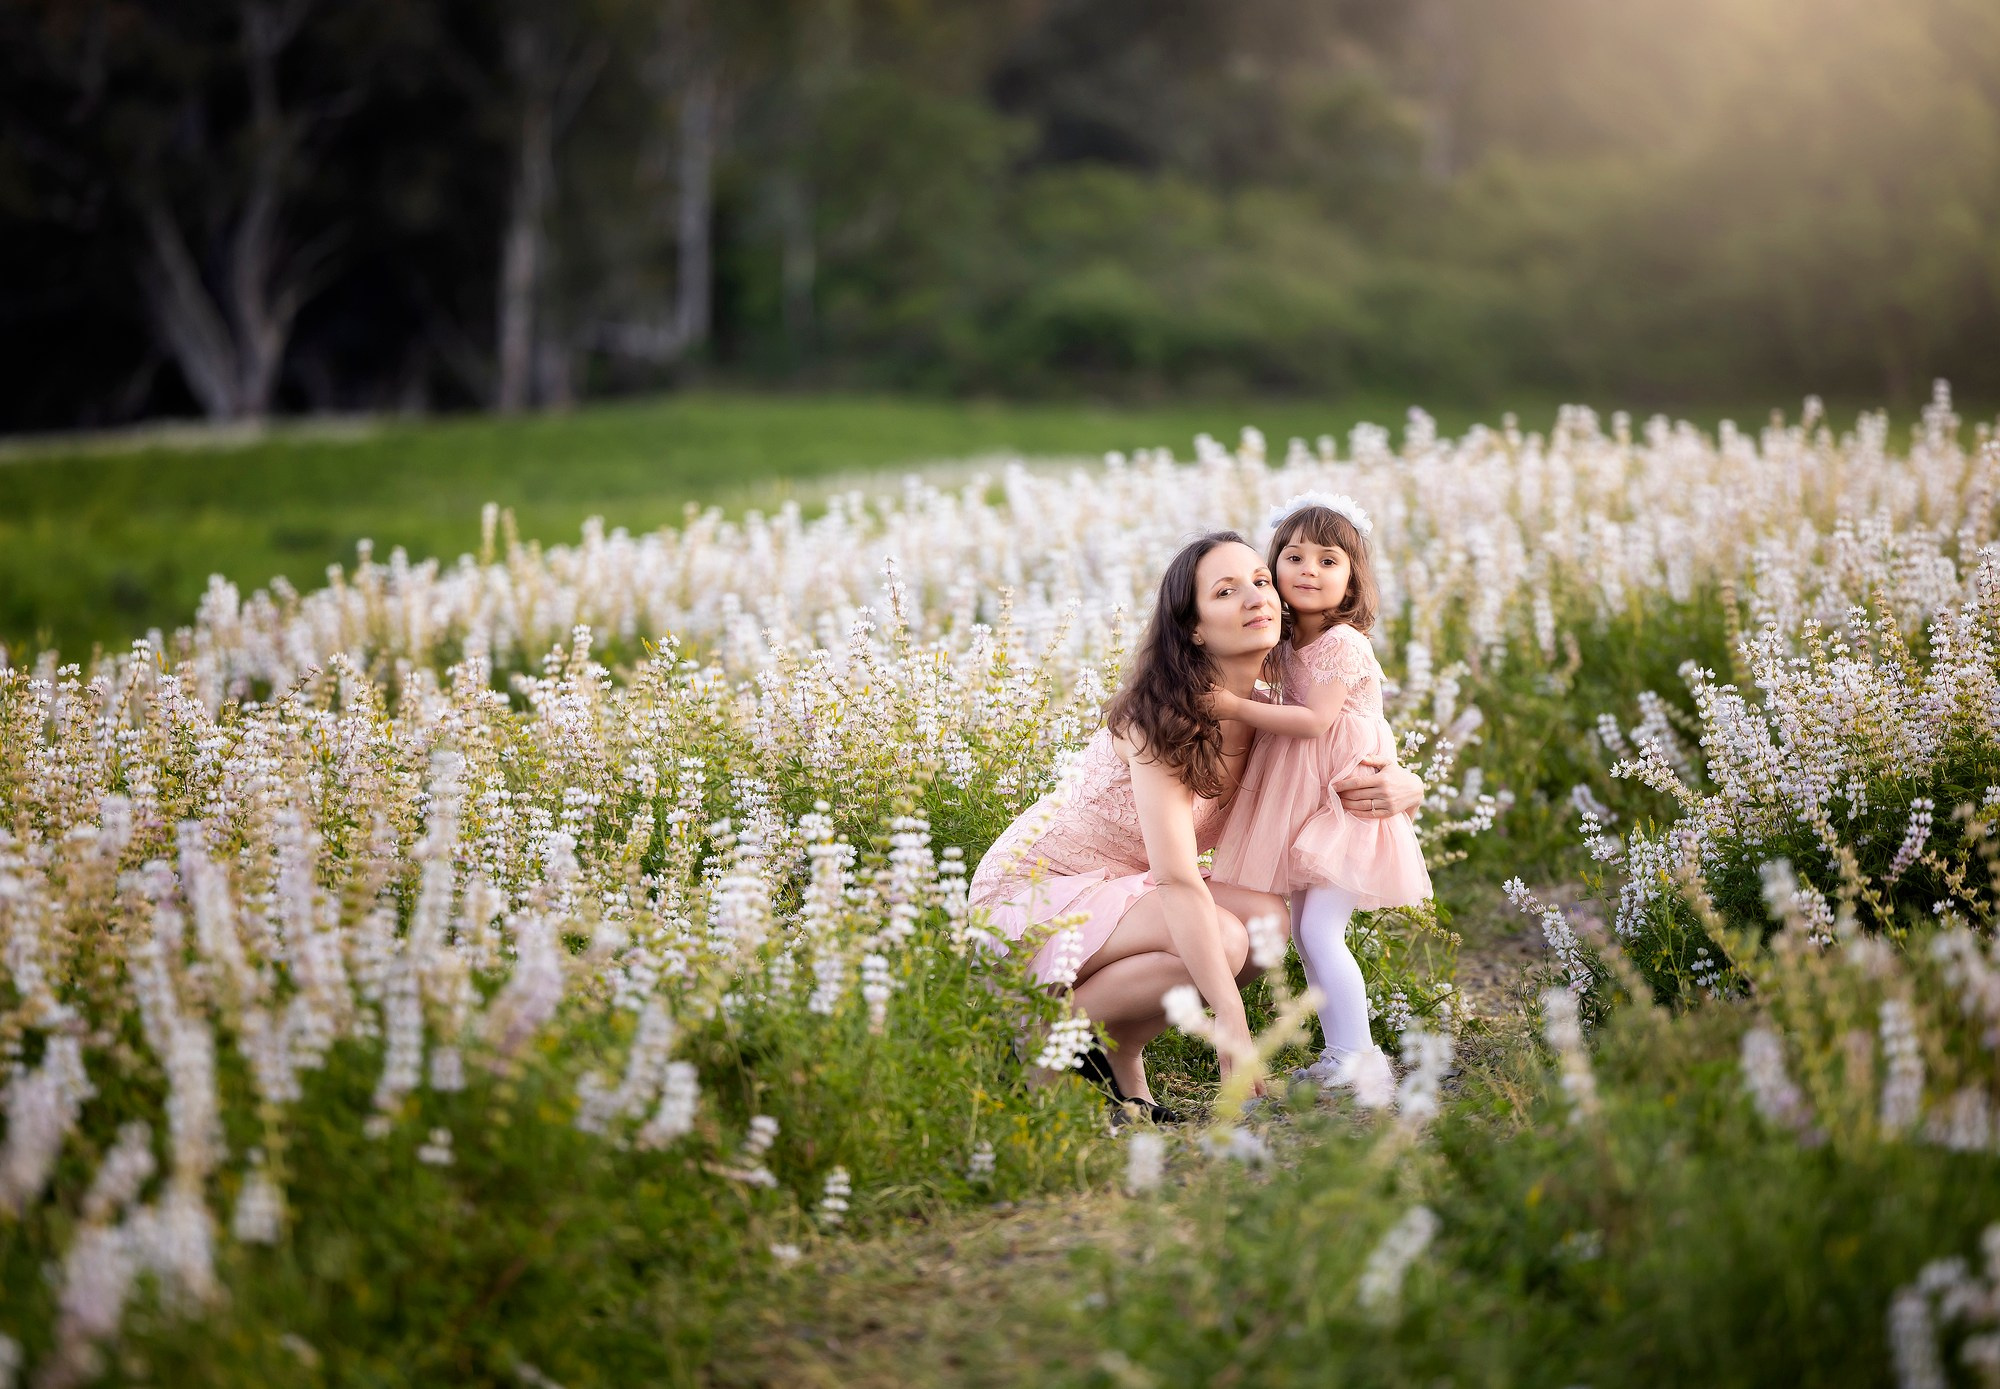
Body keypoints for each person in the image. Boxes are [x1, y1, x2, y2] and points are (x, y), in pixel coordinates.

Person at [969, 529, 1424, 1117]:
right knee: (1226, 938)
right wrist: (1232, 1025)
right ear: (1194, 629)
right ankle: (1034, 1042)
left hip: (1126, 891)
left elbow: (1348, 744)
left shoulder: (1268, 711)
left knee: (1265, 921)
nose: (1255, 598)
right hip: (1035, 892)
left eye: (1261, 581)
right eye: (1226, 591)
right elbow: (1178, 879)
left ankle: (1117, 1053)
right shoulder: (1165, 718)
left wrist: (1407, 786)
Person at [1206, 495, 1433, 1084]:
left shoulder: (1343, 642)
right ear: (1273, 566)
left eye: (1328, 561)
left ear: (1352, 578)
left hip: (1345, 801)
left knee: (1320, 931)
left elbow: (1314, 722)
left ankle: (1362, 1059)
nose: (1309, 571)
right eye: (1294, 557)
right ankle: (1340, 1052)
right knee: (1309, 937)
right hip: (1308, 803)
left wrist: (1232, 706)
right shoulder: (1287, 642)